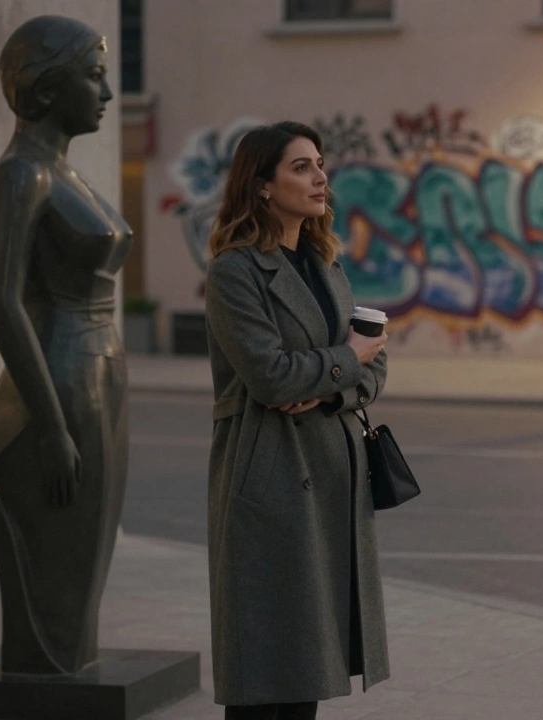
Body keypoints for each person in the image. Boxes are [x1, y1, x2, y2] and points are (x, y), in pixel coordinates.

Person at [0, 15, 131, 675]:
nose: (108, 93)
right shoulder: (20, 174)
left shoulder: (59, 171)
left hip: (99, 361)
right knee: (70, 541)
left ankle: (68, 653)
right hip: (64, 372)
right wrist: (49, 424)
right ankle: (50, 659)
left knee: (93, 541)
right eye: (94, 77)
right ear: (50, 87)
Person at [203, 121, 390, 720]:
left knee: (307, 667)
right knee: (271, 673)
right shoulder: (235, 271)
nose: (320, 177)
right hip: (271, 479)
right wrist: (344, 362)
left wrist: (328, 383)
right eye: (301, 166)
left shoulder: (324, 262)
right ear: (261, 185)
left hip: (333, 476)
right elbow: (270, 377)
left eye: (320, 163)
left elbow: (375, 368)